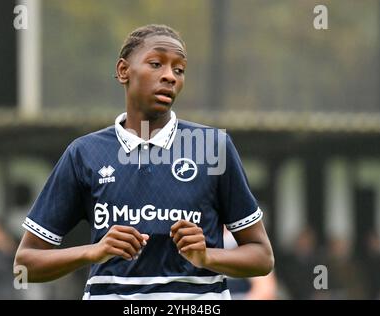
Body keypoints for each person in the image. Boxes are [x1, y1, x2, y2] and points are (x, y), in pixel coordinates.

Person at [14, 24, 274, 300]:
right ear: (123, 70)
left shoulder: (212, 147)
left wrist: (207, 256)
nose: (169, 76)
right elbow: (26, 264)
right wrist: (93, 251)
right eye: (156, 63)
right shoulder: (84, 153)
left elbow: (262, 256)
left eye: (179, 69)